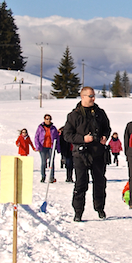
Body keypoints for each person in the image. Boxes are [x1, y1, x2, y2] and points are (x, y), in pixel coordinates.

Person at [63, 87, 111, 222]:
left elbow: (107, 128)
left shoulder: (100, 113)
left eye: (94, 96)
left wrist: (104, 136)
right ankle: (78, 212)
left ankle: (100, 208)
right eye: (90, 96)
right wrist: (82, 139)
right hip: (81, 155)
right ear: (82, 97)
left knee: (100, 182)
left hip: (98, 153)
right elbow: (67, 135)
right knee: (80, 184)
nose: (93, 98)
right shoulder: (74, 115)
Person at [35, 114, 59, 183]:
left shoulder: (53, 128)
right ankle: (43, 176)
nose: (48, 120)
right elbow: (36, 137)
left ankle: (51, 177)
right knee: (43, 162)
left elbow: (57, 138)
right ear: (44, 120)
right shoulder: (40, 127)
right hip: (43, 147)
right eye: (46, 119)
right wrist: (38, 146)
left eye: (49, 119)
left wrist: (58, 147)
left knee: (51, 162)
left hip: (51, 147)